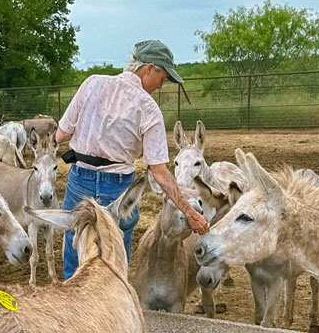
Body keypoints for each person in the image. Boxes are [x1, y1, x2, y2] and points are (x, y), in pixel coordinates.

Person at [55, 39, 209, 279]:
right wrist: (189, 212)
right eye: (163, 78)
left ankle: (73, 305)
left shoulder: (92, 83)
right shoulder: (148, 108)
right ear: (150, 68)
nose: (160, 86)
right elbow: (159, 171)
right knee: (114, 256)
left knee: (76, 239)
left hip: (79, 178)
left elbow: (60, 134)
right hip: (117, 186)